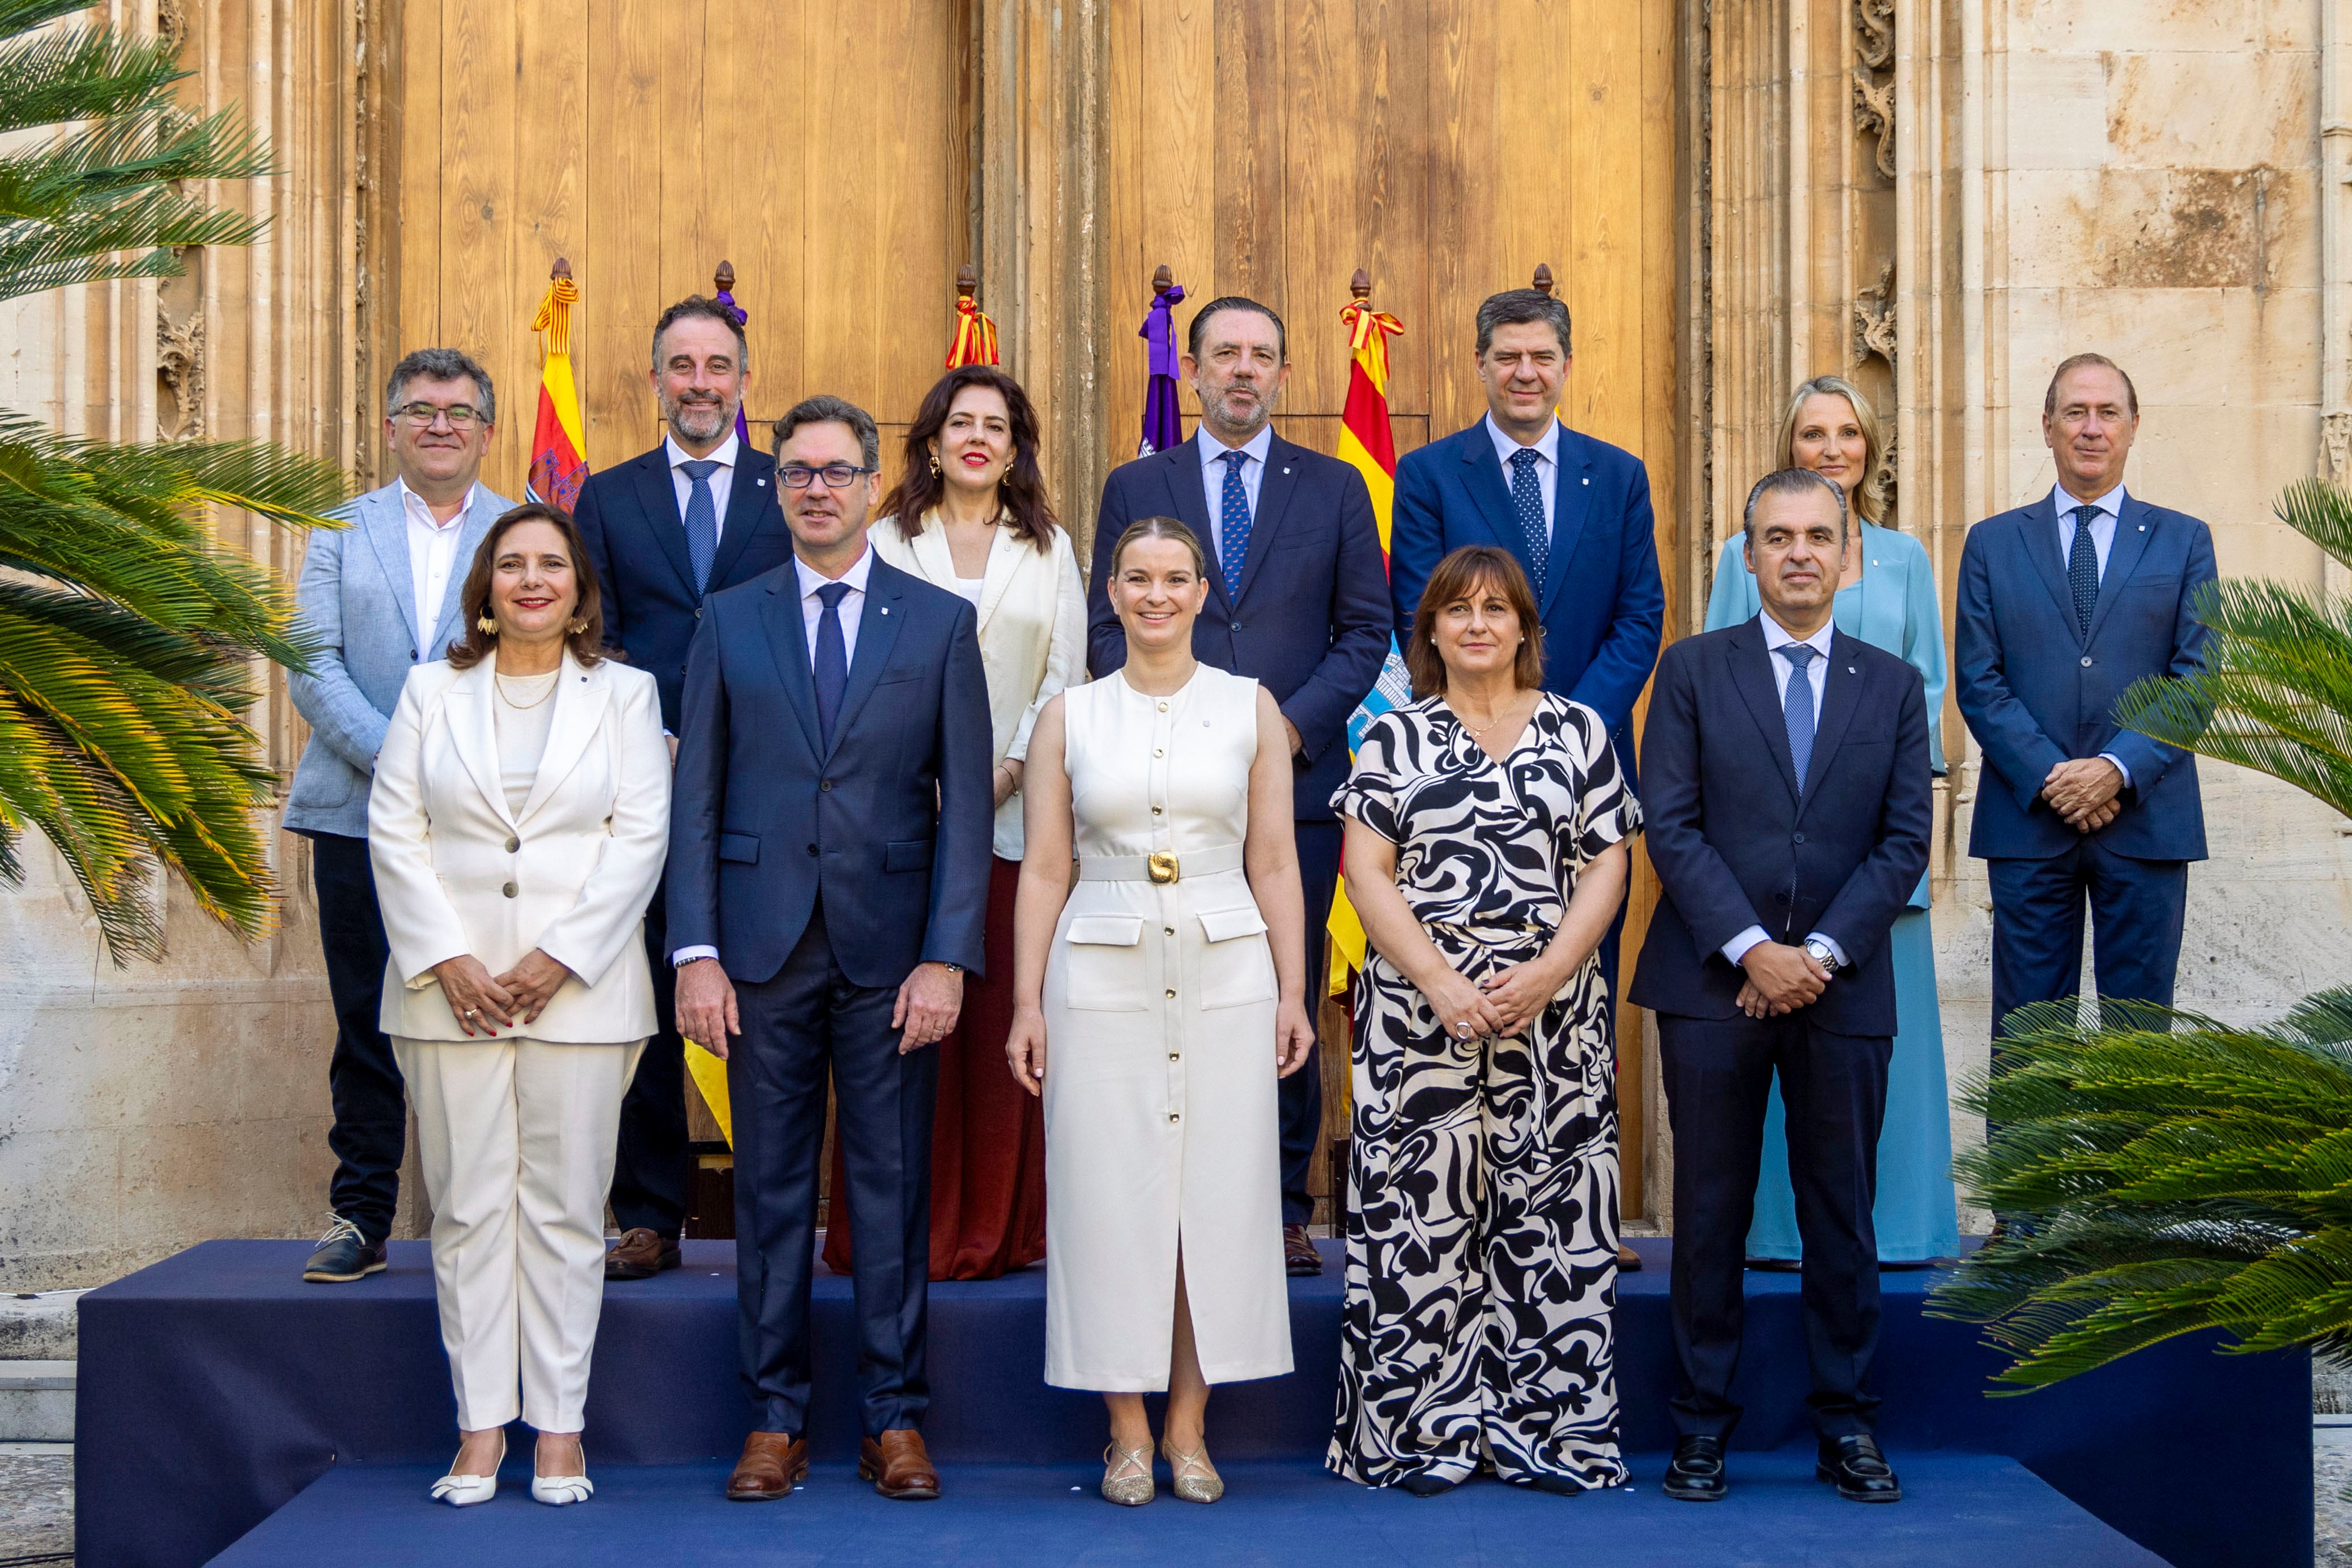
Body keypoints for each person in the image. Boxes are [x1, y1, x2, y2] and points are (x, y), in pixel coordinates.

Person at [669, 395, 992, 1505]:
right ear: (777, 485)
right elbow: (695, 801)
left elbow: (961, 811)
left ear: (870, 486)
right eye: (797, 471)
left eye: (836, 472)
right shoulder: (729, 616)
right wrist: (695, 950)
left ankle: (893, 1420)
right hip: (754, 956)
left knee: (889, 1188)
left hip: (893, 956)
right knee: (763, 1192)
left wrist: (948, 953)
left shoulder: (939, 623)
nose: (816, 488)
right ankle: (773, 1418)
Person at [1632, 468, 1930, 1507]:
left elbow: (1903, 841)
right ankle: (1700, 1427)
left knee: (1838, 1212)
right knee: (1708, 1211)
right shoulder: (1690, 670)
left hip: (1844, 990)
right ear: (1748, 556)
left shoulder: (1890, 685)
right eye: (1777, 536)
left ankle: (1847, 1425)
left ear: (1849, 557)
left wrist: (1818, 957)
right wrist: (1756, 948)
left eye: (1817, 535)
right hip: (1713, 983)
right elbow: (1668, 822)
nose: (1798, 552)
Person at [365, 502, 670, 1506]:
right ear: (484, 588)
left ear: (581, 589)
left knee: (566, 1210)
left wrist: (558, 956)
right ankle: (480, 1427)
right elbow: (395, 830)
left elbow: (638, 837)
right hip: (447, 995)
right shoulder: (427, 692)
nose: (531, 579)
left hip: (579, 996)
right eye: (511, 565)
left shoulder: (627, 695)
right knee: (465, 1209)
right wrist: (449, 957)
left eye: (551, 565)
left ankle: (560, 1430)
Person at [1011, 515, 1316, 1507]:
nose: (1155, 595)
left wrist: (1294, 988)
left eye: (1174, 578)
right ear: (1111, 591)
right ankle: (1127, 1428)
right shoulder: (1069, 715)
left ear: (1200, 592)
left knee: (1215, 1204)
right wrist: (1025, 1001)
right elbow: (1046, 865)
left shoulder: (1251, 708)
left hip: (1226, 962)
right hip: (1099, 963)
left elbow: (1275, 858)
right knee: (1108, 1201)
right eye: (1136, 578)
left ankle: (1188, 1423)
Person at [1086, 297, 1388, 1276]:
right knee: (1162, 996)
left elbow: (1363, 634)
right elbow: (1106, 630)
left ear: (1285, 374)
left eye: (1262, 354)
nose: (1243, 370)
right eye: (1225, 354)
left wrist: (1279, 730)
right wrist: (1176, 738)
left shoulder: (1337, 489)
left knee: (1275, 991)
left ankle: (1280, 1203)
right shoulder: (1138, 482)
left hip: (1292, 787)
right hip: (1158, 797)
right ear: (1198, 369)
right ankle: (1162, 1199)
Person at [1329, 545, 1636, 1497]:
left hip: (1553, 1016)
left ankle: (1550, 1430)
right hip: (1421, 1023)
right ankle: (1419, 1431)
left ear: (1524, 630)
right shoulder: (1392, 736)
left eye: (1495, 609)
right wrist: (1440, 982)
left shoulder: (1579, 730)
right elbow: (1365, 870)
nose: (1475, 623)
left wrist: (1548, 972)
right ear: (1428, 631)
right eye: (1455, 609)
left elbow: (1607, 861)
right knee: (1421, 1223)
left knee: (1549, 1220)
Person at [1387, 286, 1664, 1272]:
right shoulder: (1429, 474)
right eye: (1506, 356)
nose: (1524, 372)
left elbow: (1641, 616)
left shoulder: (1617, 476)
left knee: (1577, 987)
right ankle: (1469, 1208)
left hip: (1583, 772)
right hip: (1455, 778)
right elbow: (1421, 607)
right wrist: (1497, 724)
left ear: (1564, 363)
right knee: (1466, 987)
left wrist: (1563, 729)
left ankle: (1582, 1209)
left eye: (1541, 355)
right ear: (1481, 363)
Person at [822, 364, 1083, 1282]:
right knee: (896, 1034)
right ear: (931, 441)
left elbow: (1066, 679)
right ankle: (894, 1235)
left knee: (991, 1031)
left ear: (1016, 450)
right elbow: (853, 667)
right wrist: (921, 775)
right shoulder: (886, 539)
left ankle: (995, 1231)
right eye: (960, 422)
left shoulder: (1048, 549)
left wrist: (1004, 769)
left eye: (997, 426)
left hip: (1014, 827)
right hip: (897, 824)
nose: (978, 437)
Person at [1702, 376, 1958, 1268]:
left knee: (1879, 1046)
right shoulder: (1746, 552)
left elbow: (1926, 691)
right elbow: (1716, 698)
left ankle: (1900, 1228)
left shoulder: (1907, 559)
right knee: (1767, 1037)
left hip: (1877, 849)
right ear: (1788, 447)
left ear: (1869, 448)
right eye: (1811, 433)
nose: (1830, 449)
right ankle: (1775, 1234)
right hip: (1767, 856)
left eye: (1847, 433)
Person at [575, 294, 795, 1281]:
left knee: (768, 995)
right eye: (682, 366)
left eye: (718, 366)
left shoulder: (785, 487)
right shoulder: (607, 497)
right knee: (650, 1000)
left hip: (770, 790)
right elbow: (595, 634)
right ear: (654, 379)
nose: (700, 384)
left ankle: (773, 1205)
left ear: (744, 382)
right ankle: (650, 1211)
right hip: (641, 788)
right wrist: (644, 732)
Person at [286, 347, 514, 1284]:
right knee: (366, 1019)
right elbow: (310, 658)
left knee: (487, 1015)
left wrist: (455, 776)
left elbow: (545, 660)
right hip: (356, 813)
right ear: (390, 426)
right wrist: (396, 755)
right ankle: (362, 1212)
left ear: (485, 431)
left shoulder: (523, 527)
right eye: (420, 410)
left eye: (459, 412)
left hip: (484, 823)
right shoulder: (340, 527)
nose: (439, 425)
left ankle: (491, 1212)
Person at [1955, 353, 2214, 1046]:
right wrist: (2052, 777)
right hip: (2028, 823)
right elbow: (1978, 679)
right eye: (2074, 412)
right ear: (2046, 427)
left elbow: (2196, 679)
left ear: (2132, 427)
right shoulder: (1990, 543)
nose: (2090, 429)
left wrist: (2114, 769)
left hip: (2146, 821)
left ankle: (2126, 1163)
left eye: (2106, 413)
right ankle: (2020, 1165)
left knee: (2138, 1046)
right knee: (2028, 1045)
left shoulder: (2184, 540)